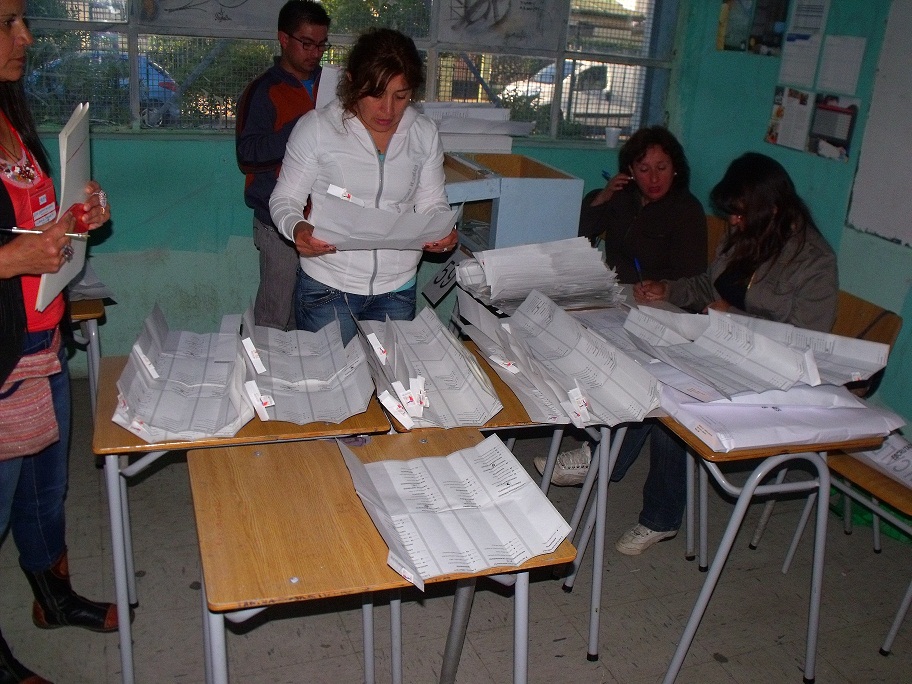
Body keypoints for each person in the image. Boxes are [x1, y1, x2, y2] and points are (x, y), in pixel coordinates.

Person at [613, 152, 838, 555]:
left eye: (740, 213)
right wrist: (668, 289)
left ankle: (659, 518)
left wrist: (733, 317)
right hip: (723, 349)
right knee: (646, 367)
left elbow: (806, 342)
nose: (733, 221)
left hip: (776, 374)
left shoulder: (814, 261)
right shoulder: (745, 234)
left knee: (676, 406)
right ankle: (604, 457)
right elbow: (709, 286)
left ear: (772, 208)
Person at [0, 2, 115, 681]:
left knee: (44, 492)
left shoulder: (12, 118)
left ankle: (53, 598)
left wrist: (76, 217)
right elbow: (13, 249)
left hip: (41, 340)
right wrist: (15, 260)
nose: (25, 36)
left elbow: (30, 222)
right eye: (7, 22)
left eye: (23, 21)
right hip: (3, 355)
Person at [536, 127, 707, 487]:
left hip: (663, 313)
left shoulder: (686, 210)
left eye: (662, 167)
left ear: (676, 168)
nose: (654, 178)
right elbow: (576, 236)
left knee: (638, 379)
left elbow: (696, 283)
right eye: (644, 169)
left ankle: (600, 457)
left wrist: (664, 288)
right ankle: (597, 446)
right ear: (630, 170)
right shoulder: (622, 198)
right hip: (615, 302)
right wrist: (602, 198)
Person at [270, 27, 458, 345]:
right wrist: (297, 228)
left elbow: (432, 200)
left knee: (390, 375)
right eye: (376, 94)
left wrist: (442, 229)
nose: (388, 110)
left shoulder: (423, 132)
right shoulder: (317, 128)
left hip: (397, 289)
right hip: (327, 287)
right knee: (331, 374)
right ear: (353, 82)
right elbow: (285, 198)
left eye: (401, 96)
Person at [236, 0, 331, 330]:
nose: (315, 53)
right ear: (283, 38)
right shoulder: (264, 91)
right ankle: (262, 362)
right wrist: (302, 130)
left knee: (312, 312)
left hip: (324, 218)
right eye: (307, 43)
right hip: (277, 222)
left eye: (321, 45)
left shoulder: (332, 87)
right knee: (275, 315)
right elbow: (247, 155)